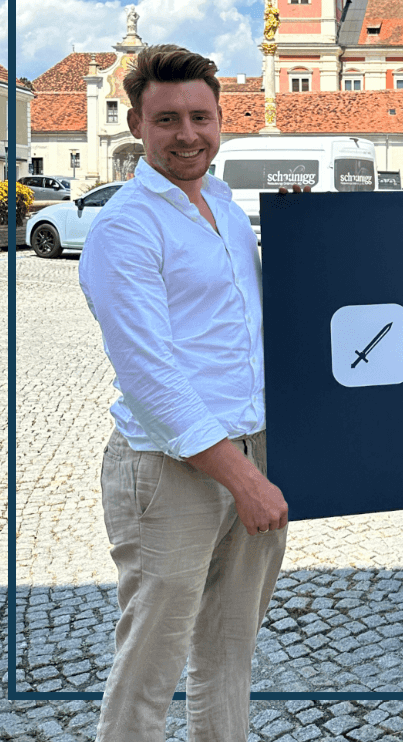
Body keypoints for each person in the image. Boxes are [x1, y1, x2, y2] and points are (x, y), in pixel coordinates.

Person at [79, 44, 289, 742]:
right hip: (170, 473)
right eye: (167, 120)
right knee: (149, 666)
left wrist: (303, 243)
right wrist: (244, 480)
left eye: (201, 117)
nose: (188, 135)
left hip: (251, 450)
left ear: (222, 119)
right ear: (137, 124)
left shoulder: (227, 210)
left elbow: (247, 329)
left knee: (229, 658)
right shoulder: (124, 227)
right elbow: (151, 375)